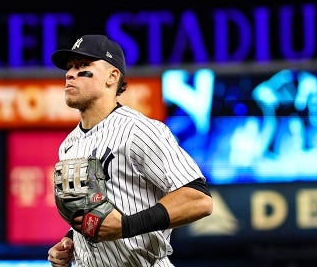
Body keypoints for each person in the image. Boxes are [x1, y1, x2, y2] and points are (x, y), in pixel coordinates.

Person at [47, 34, 213, 267]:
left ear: (112, 77)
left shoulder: (139, 130)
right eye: (69, 67)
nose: (70, 74)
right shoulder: (69, 144)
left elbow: (199, 199)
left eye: (83, 66)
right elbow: (94, 210)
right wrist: (69, 241)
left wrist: (125, 226)